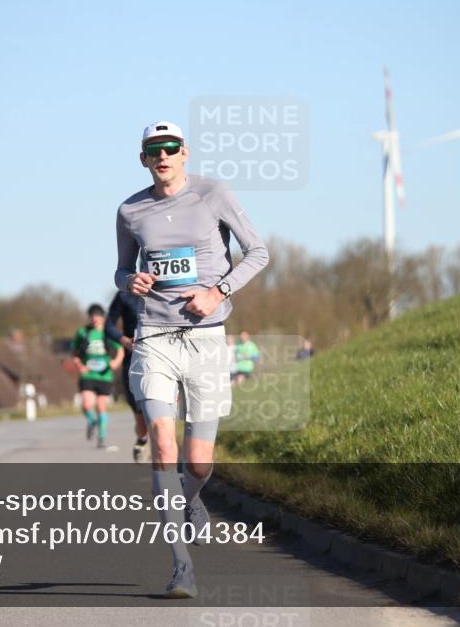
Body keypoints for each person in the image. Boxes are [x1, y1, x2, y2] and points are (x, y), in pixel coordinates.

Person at [115, 120, 269, 598]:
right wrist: (130, 282)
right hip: (155, 335)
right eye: (152, 150)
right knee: (164, 445)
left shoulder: (213, 193)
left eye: (170, 148)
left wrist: (217, 290)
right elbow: (122, 268)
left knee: (198, 462)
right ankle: (182, 567)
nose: (162, 156)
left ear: (185, 153)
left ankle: (194, 499)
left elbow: (258, 252)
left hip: (205, 336)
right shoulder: (130, 210)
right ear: (143, 159)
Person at [105, 289, 150, 463]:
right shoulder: (124, 295)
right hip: (133, 356)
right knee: (140, 414)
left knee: (161, 413)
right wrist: (123, 340)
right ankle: (143, 438)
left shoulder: (167, 288)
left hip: (163, 353)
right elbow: (109, 326)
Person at [72, 304, 124, 449]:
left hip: (104, 375)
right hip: (88, 374)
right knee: (87, 404)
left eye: (98, 316)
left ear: (103, 317)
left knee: (101, 406)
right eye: (92, 316)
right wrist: (79, 366)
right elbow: (75, 353)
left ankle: (102, 436)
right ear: (89, 318)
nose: (95, 319)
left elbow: (120, 350)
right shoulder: (83, 332)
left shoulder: (108, 333)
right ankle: (92, 421)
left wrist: (116, 362)